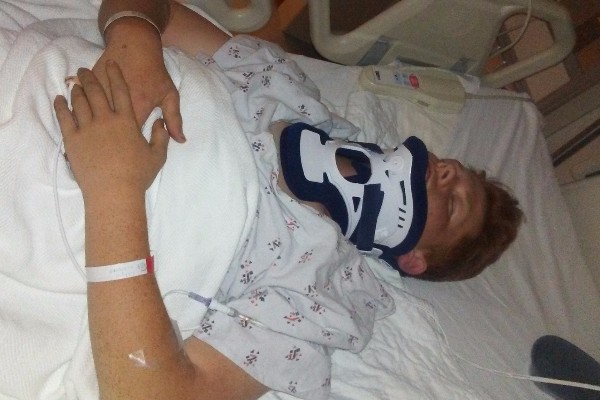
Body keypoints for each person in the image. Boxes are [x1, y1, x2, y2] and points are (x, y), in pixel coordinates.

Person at [54, 1, 522, 399]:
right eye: (450, 167)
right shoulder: (286, 91)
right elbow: (152, 7)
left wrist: (113, 188)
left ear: (414, 258)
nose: (445, 173)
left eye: (454, 203)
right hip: (57, 81)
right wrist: (135, 43)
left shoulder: (323, 292)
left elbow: (161, 393)